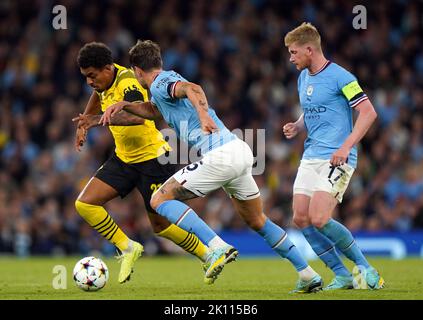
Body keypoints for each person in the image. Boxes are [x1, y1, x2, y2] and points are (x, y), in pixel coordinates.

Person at [100, 39, 323, 293]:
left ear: (138, 71)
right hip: (238, 152)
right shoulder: (161, 92)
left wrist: (204, 114)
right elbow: (153, 110)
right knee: (257, 220)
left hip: (221, 156)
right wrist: (125, 105)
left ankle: (215, 245)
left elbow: (192, 88)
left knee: (158, 200)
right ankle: (307, 274)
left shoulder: (162, 82)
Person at [73, 42, 220, 284]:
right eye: (86, 77)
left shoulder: (127, 81)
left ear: (108, 68)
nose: (90, 81)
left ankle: (208, 254)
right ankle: (127, 247)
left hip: (153, 158)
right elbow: (97, 95)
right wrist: (84, 121)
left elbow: (137, 118)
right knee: (85, 204)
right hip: (125, 158)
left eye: (92, 75)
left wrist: (98, 120)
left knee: (161, 226)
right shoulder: (103, 81)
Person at [282, 23, 384, 290]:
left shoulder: (342, 77)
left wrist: (346, 146)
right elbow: (314, 108)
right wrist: (297, 125)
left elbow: (369, 112)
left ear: (309, 49)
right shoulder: (303, 77)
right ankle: (342, 274)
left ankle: (365, 267)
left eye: (293, 52)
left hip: (337, 157)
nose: (290, 58)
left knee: (319, 218)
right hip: (311, 155)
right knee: (300, 218)